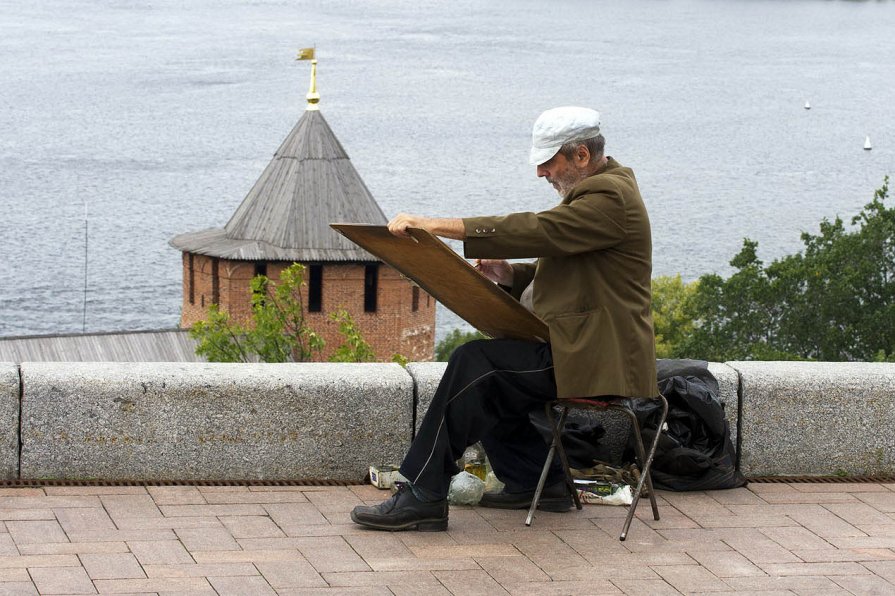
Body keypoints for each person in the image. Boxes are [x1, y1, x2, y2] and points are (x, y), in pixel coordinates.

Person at [350, 106, 657, 531]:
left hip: (594, 357)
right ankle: (538, 483)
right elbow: (569, 273)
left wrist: (435, 225)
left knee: (475, 363)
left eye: (549, 162)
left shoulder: (609, 199)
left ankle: (422, 492)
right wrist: (510, 274)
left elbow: (536, 229)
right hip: (580, 347)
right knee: (494, 375)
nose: (541, 173)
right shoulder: (600, 196)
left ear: (581, 156)